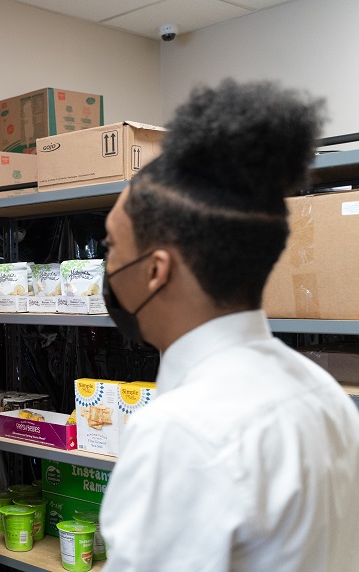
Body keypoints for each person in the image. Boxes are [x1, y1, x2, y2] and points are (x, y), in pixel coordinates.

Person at [98, 78, 359, 571]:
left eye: (111, 246)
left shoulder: (181, 432)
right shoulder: (324, 394)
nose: (107, 266)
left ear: (156, 270)